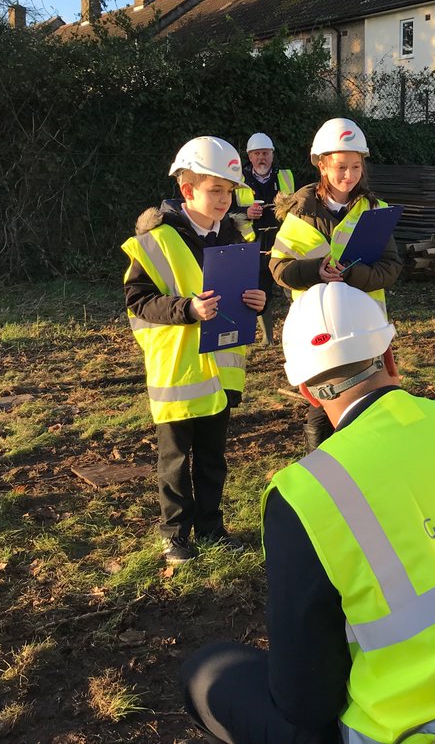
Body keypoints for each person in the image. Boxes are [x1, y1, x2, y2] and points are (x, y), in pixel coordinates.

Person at [181, 284, 435, 744]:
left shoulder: (306, 494)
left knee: (205, 672)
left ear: (307, 393)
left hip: (424, 736)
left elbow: (305, 702)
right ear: (390, 358)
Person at [122, 136, 266, 564]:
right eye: (215, 190)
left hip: (219, 373)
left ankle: (211, 528)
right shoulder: (157, 240)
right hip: (178, 372)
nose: (224, 200)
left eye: (229, 191)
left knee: (212, 459)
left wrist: (261, 301)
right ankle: (175, 535)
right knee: (174, 461)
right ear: (187, 190)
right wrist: (187, 309)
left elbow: (251, 290)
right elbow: (138, 301)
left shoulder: (236, 235)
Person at [270, 117, 403, 450]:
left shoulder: (375, 210)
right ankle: (321, 462)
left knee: (370, 401)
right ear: (322, 166)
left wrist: (354, 275)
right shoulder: (300, 214)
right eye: (341, 167)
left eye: (356, 166)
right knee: (323, 403)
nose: (349, 175)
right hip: (319, 332)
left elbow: (391, 267)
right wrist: (315, 271)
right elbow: (279, 267)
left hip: (366, 329)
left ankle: (368, 461)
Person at [230, 132, 295, 345]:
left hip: (283, 241)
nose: (261, 158)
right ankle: (268, 338)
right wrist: (245, 212)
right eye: (257, 154)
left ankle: (297, 331)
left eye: (265, 153)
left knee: (291, 285)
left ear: (272, 155)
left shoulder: (285, 176)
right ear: (250, 156)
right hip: (253, 244)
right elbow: (226, 212)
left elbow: (298, 206)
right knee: (260, 290)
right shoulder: (238, 181)